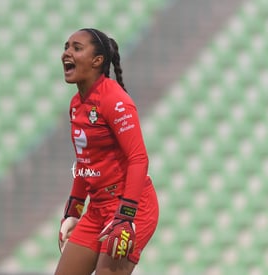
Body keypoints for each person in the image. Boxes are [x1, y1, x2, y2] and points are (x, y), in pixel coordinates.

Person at [54, 28, 159, 275]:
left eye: (76, 48)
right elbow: (84, 161)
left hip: (131, 208)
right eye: (66, 47)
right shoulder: (76, 104)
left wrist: (125, 217)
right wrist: (74, 209)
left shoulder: (114, 100)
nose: (66, 53)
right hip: (98, 209)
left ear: (97, 60)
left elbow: (139, 160)